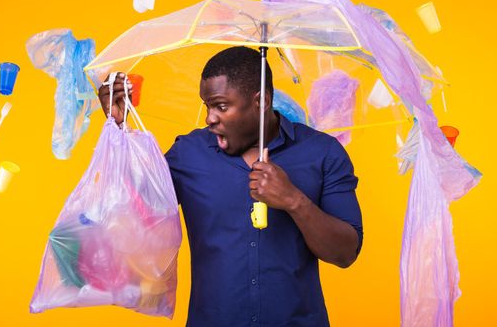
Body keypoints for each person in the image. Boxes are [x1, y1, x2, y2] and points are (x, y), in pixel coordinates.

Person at [98, 46, 363, 327]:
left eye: (221, 106)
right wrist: (118, 131)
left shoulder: (322, 153)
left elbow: (345, 253)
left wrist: (293, 200)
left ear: (260, 101)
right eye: (208, 106)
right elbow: (129, 214)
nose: (209, 118)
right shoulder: (188, 153)